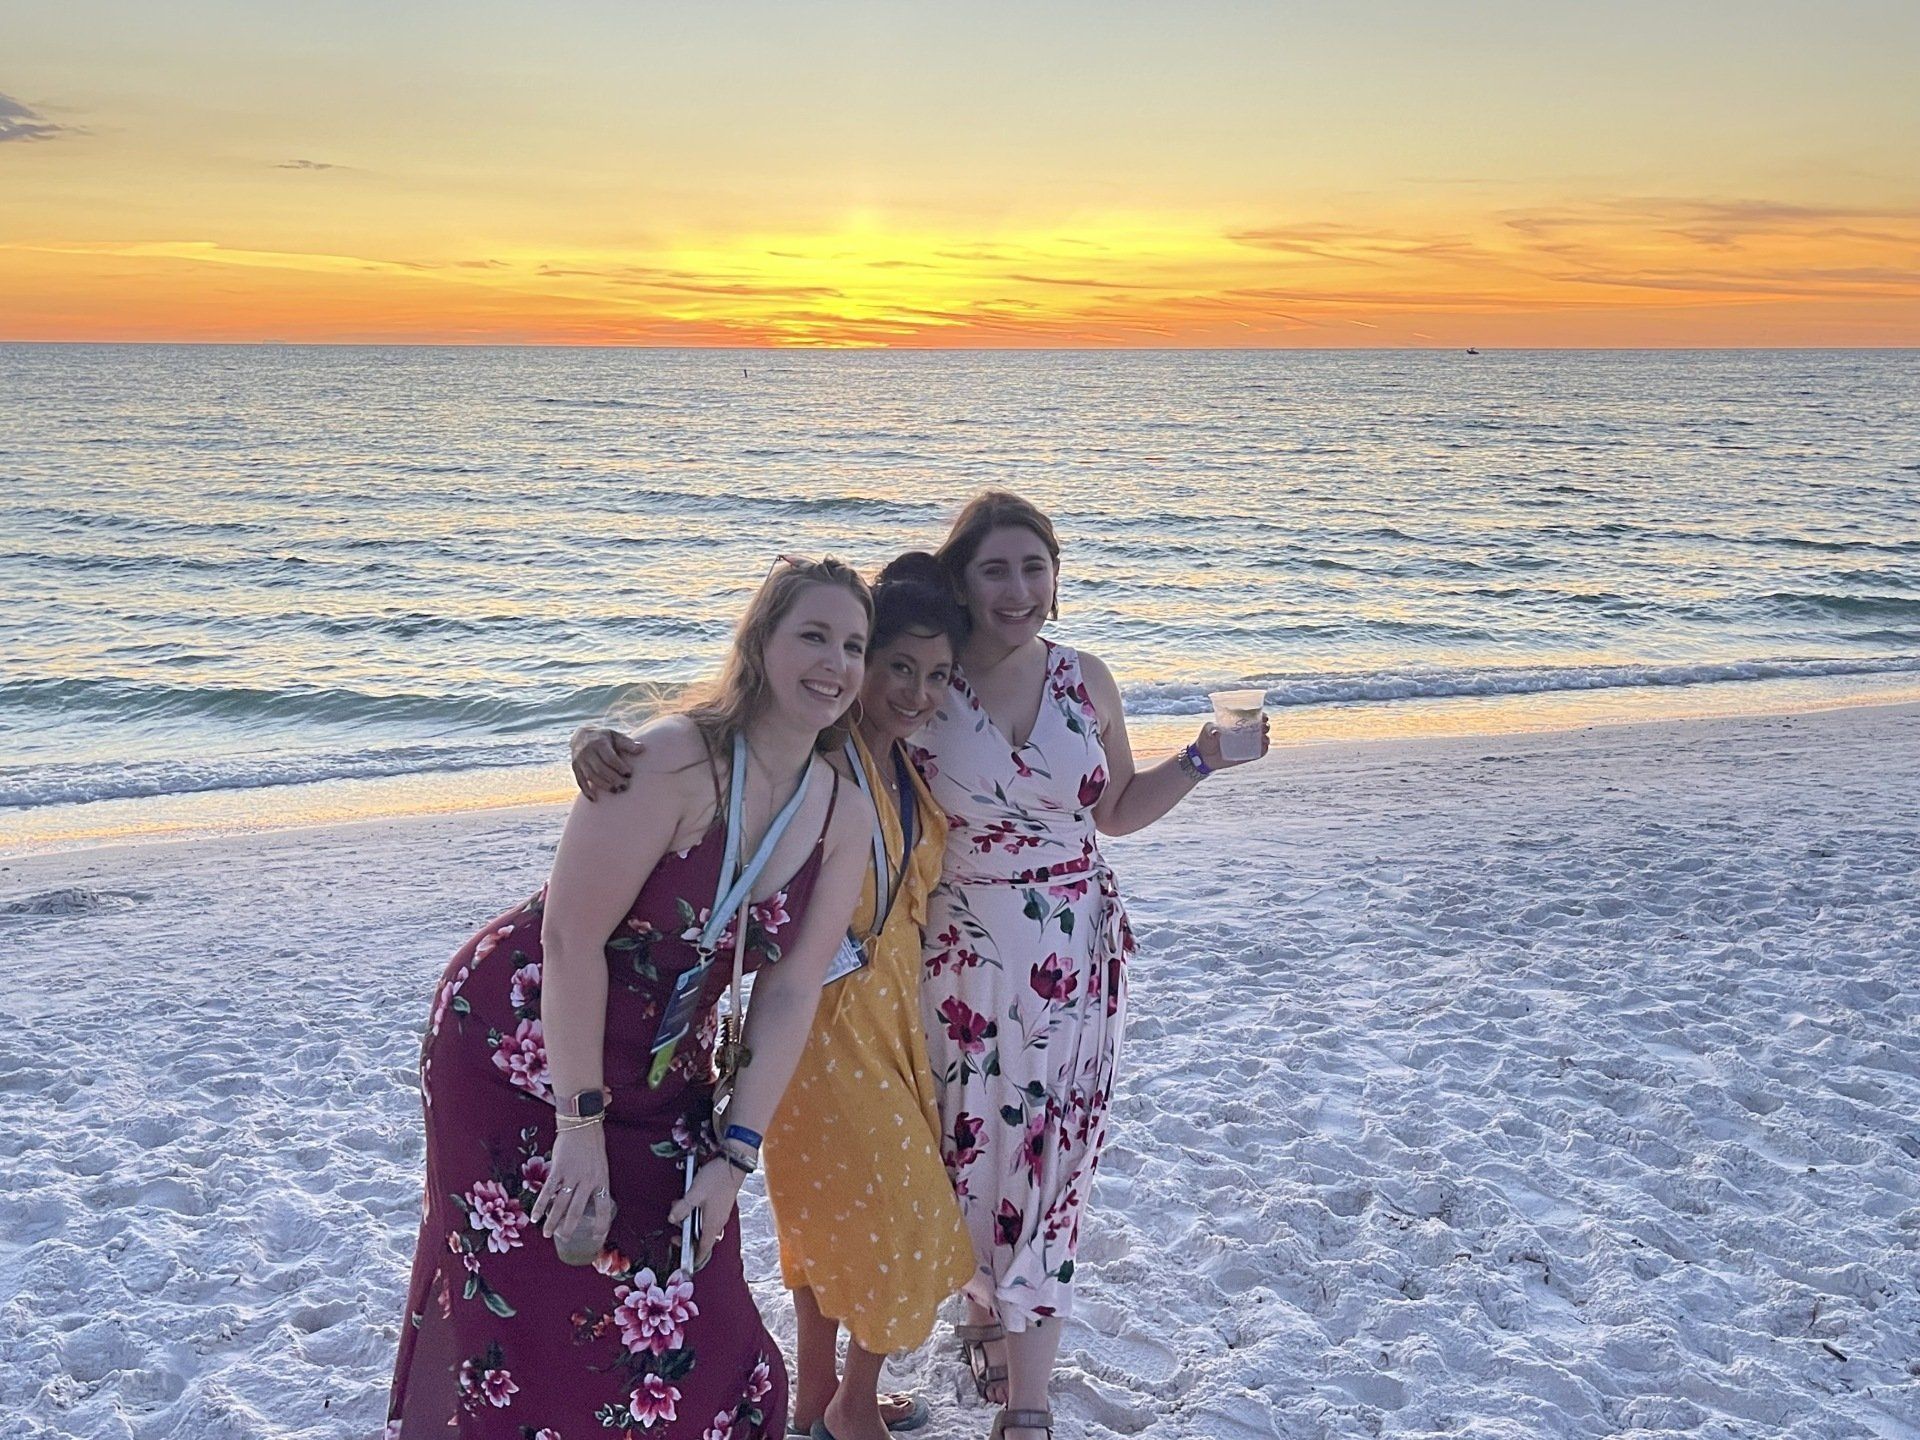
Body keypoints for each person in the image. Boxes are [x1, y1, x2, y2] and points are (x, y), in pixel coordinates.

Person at [384, 557, 876, 1440]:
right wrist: (579, 1131)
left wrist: (736, 1153)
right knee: (524, 1306)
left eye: (853, 644)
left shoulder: (841, 810)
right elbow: (569, 939)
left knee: (702, 1314)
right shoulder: (673, 760)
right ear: (760, 644)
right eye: (813, 635)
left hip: (666, 1065)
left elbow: (795, 984)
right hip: (521, 1045)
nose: (835, 663)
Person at [572, 554, 977, 1440]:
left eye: (932, 673)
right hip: (816, 1030)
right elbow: (697, 769)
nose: (911, 691)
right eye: (894, 667)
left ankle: (820, 1397)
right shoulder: (796, 767)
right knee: (893, 1210)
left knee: (838, 1207)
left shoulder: (896, 774)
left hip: (882, 1020)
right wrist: (601, 742)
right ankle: (850, 1406)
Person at [918, 490, 1268, 1440]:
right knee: (971, 1151)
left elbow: (1112, 810)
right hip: (961, 959)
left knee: (1051, 1160)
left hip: (1075, 952)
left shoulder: (1086, 678)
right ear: (960, 579)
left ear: (1058, 580)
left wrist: (1199, 761)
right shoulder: (921, 684)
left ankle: (1028, 1403)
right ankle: (984, 1305)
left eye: (1036, 567)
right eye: (996, 568)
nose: (1019, 588)